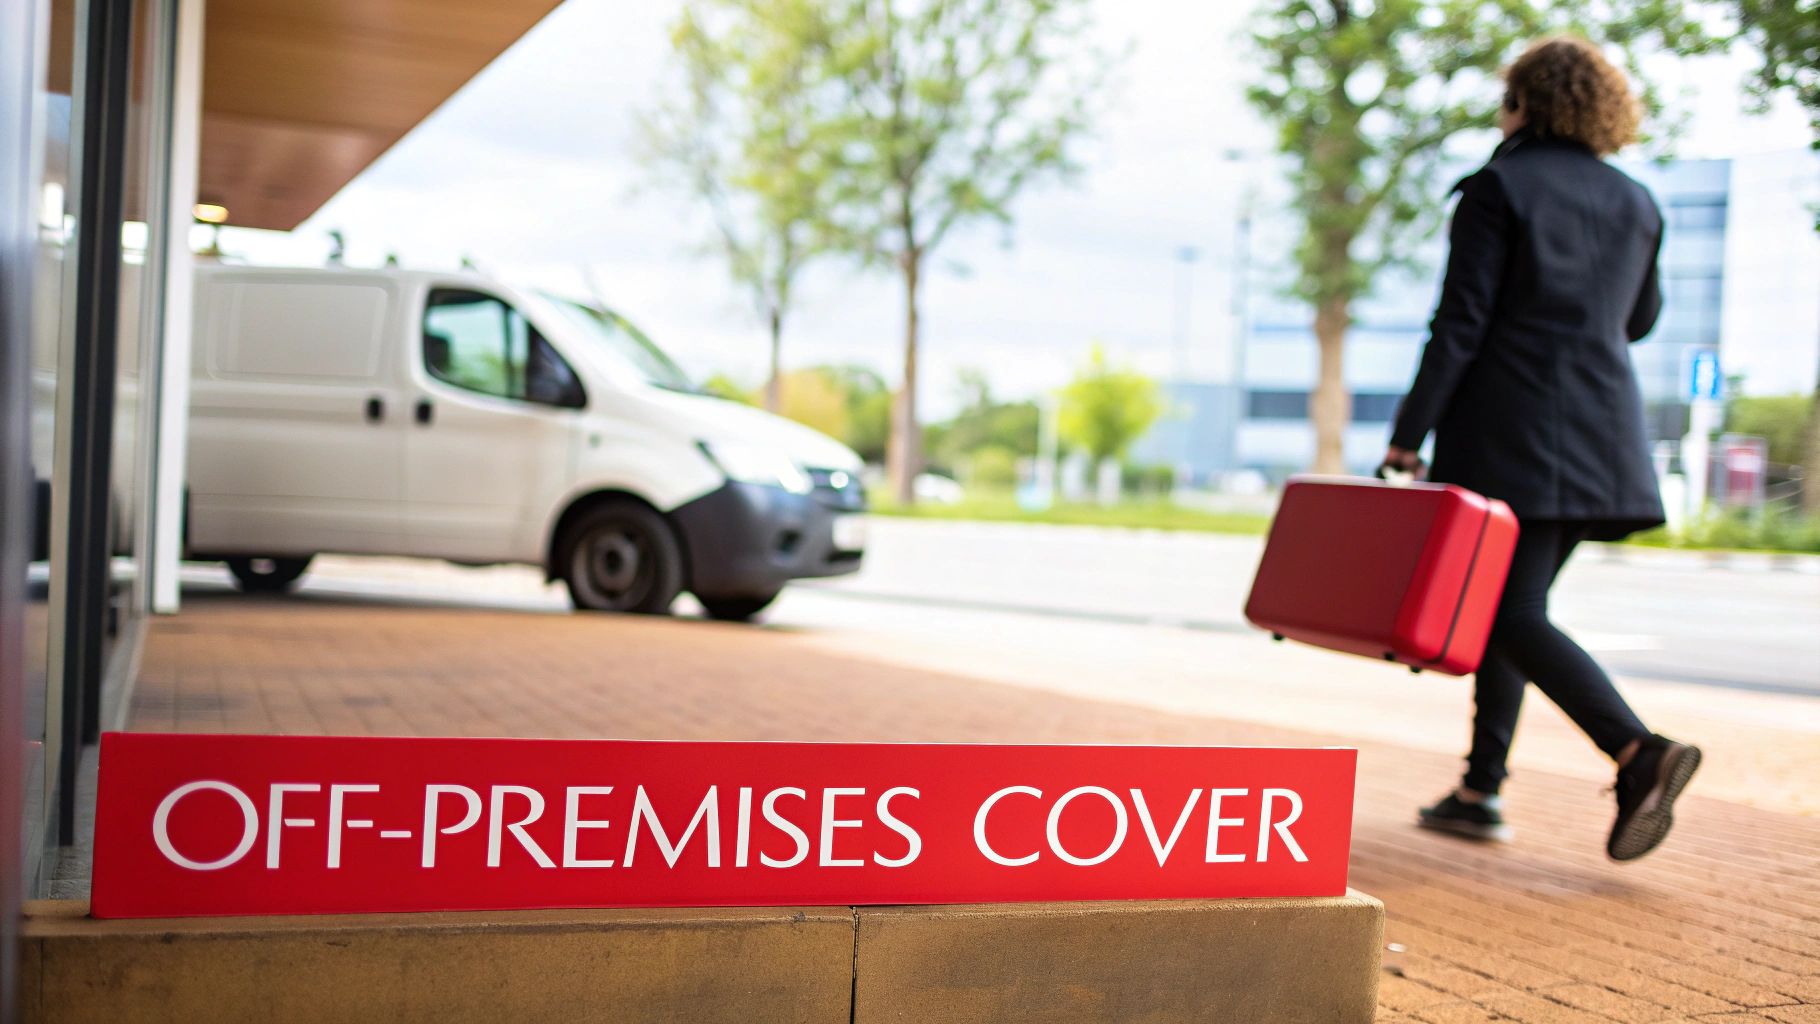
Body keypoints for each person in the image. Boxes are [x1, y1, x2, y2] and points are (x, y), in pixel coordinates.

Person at [1382, 36, 1700, 862]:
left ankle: (1638, 751)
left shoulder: (1498, 186)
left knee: (1508, 613)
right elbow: (1637, 320)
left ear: (1523, 102)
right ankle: (1480, 789)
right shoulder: (1637, 201)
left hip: (1510, 430)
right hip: (1600, 433)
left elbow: (1460, 323)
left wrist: (1407, 437)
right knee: (1512, 615)